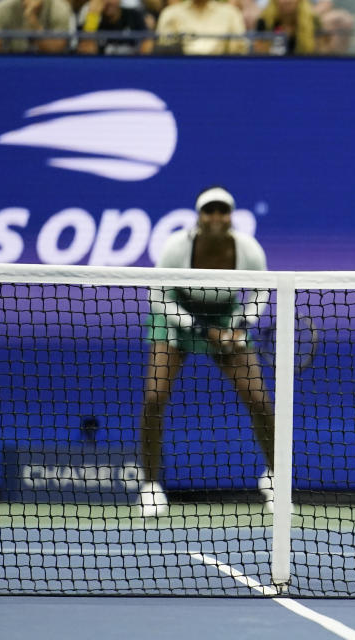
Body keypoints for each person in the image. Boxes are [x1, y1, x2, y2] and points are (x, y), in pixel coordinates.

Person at [138, 186, 274, 518]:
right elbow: (158, 295)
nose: (216, 217)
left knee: (258, 399)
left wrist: (240, 324)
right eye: (209, 211)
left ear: (231, 216)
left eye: (222, 211)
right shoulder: (176, 247)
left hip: (226, 313)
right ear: (199, 216)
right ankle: (151, 486)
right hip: (176, 314)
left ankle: (274, 478)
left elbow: (260, 293)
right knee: (155, 397)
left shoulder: (248, 250)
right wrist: (198, 328)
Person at [155, 0, 248, 55]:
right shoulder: (170, 13)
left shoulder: (230, 13)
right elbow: (164, 51)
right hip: (182, 73)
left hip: (222, 72)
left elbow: (240, 51)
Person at [0, 0, 74, 53]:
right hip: (13, 65)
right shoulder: (3, 8)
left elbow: (57, 50)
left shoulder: (60, 7)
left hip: (49, 67)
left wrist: (32, 20)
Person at [76, 0, 153, 54]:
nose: (108, 2)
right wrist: (92, 18)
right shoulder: (91, 18)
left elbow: (148, 41)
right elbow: (86, 49)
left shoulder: (133, 15)